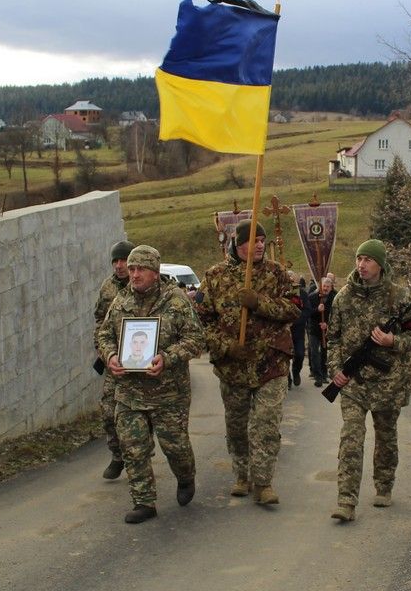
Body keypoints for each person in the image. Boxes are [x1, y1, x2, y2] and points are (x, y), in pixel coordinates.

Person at [96, 245, 206, 524]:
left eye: (140, 269)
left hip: (168, 392)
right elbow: (104, 335)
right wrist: (109, 356)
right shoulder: (120, 302)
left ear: (155, 273)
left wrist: (167, 358)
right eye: (131, 269)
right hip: (129, 391)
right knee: (133, 447)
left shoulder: (176, 301)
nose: (134, 274)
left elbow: (196, 340)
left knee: (175, 447)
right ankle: (144, 501)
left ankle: (185, 476)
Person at [198, 220, 301, 505]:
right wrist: (226, 346)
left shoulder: (277, 274)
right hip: (233, 367)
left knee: (266, 424)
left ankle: (264, 482)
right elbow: (201, 322)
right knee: (238, 425)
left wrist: (260, 303)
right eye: (253, 240)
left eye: (262, 241)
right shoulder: (216, 277)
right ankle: (242, 475)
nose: (258, 245)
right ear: (237, 243)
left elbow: (294, 308)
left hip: (271, 363)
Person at [327, 239, 411, 522]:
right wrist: (336, 368)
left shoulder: (400, 298)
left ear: (380, 264)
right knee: (351, 438)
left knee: (386, 437)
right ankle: (346, 501)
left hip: (388, 381)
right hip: (354, 382)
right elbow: (332, 338)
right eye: (359, 259)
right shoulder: (343, 297)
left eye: (368, 260)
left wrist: (393, 340)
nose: (362, 265)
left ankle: (384, 486)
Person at [93, 240, 135, 480]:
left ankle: (138, 456)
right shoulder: (108, 287)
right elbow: (99, 319)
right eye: (115, 261)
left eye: (123, 261)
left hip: (140, 361)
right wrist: (102, 349)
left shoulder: (144, 284)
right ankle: (117, 456)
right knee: (109, 410)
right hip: (114, 361)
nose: (119, 266)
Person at [305, 275, 336, 387]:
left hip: (327, 329)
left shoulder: (334, 298)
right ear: (320, 286)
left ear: (331, 287)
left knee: (324, 352)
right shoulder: (313, 297)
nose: (326, 288)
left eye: (328, 286)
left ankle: (324, 374)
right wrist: (317, 310)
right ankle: (317, 376)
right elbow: (307, 313)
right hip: (313, 328)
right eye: (324, 286)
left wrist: (327, 324)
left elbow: (336, 315)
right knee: (314, 352)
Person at [289, 274, 308, 387]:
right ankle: (287, 379)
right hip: (284, 331)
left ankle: (296, 372)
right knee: (284, 358)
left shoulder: (302, 294)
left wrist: (297, 319)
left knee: (300, 354)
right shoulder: (281, 292)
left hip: (298, 331)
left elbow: (307, 309)